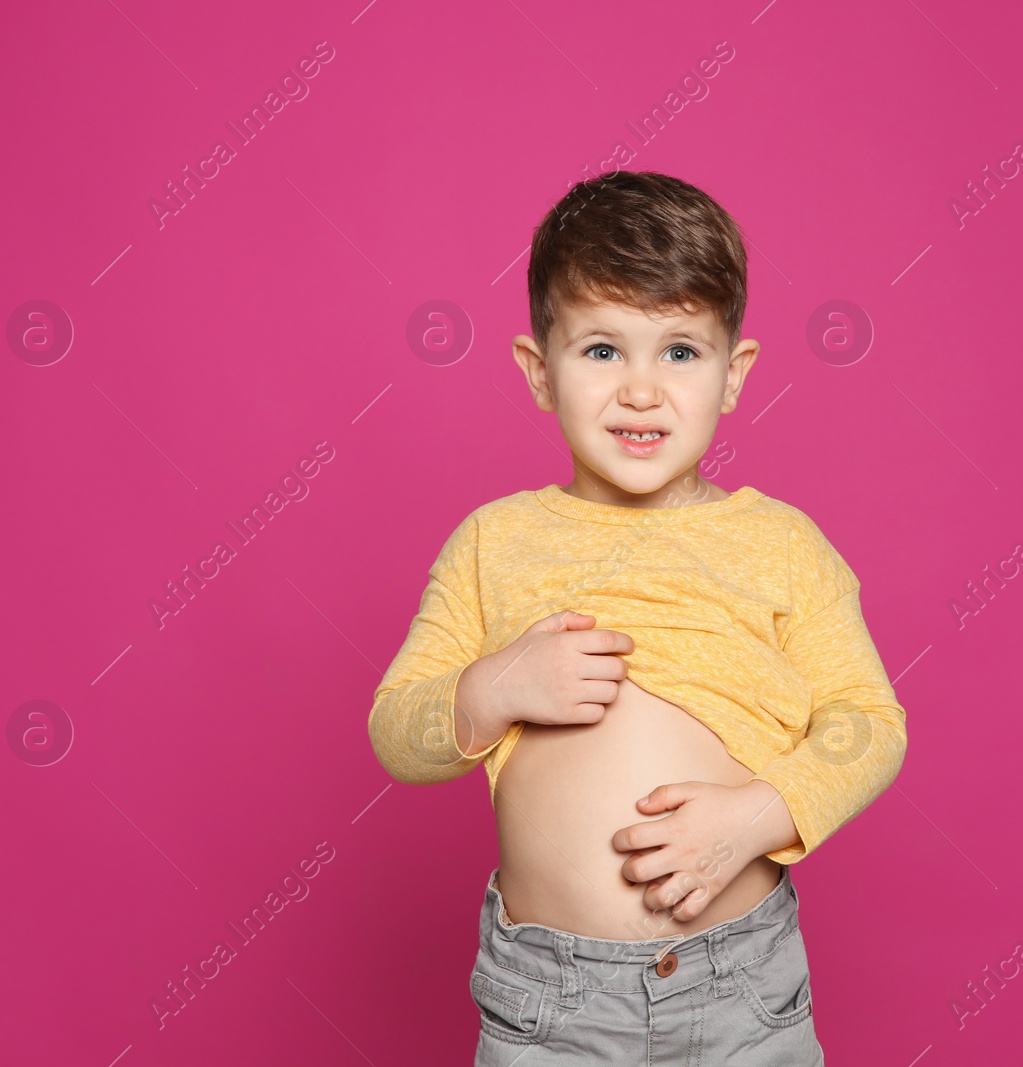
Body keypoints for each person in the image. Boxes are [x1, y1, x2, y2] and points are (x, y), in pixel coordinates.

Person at [368, 170, 907, 1064]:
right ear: (540, 372)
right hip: (549, 1002)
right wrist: (492, 687)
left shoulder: (780, 543)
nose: (642, 391)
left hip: (742, 987)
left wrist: (757, 815)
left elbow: (869, 722)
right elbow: (396, 730)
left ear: (735, 377)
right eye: (603, 351)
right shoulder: (494, 543)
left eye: (680, 352)